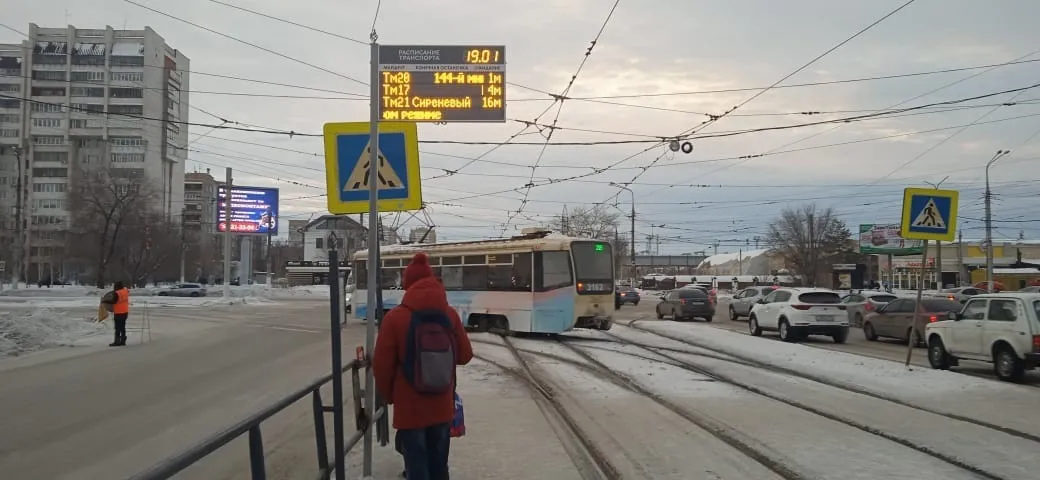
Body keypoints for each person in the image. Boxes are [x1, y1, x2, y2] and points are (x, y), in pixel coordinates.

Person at [374, 252, 473, 480]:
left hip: (410, 408)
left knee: (416, 467)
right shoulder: (449, 315)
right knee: (439, 466)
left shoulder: (396, 317)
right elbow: (465, 355)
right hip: (442, 406)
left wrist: (391, 396)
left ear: (408, 284)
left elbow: (382, 365)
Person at [101, 281, 131, 347]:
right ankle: (123, 341)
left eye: (115, 286)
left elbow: (113, 301)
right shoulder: (125, 291)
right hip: (125, 312)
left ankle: (117, 341)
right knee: (122, 327)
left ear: (117, 286)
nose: (114, 287)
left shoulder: (117, 293)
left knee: (117, 328)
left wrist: (105, 301)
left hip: (118, 313)